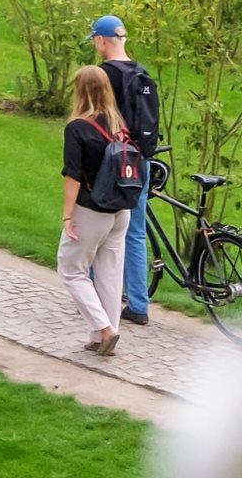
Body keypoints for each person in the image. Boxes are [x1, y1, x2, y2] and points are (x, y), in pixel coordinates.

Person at [60, 65, 140, 356]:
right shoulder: (120, 125)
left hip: (92, 209)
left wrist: (68, 215)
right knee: (109, 273)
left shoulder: (78, 128)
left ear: (79, 92)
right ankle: (102, 336)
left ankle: (105, 329)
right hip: (122, 211)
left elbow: (73, 175)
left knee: (71, 269)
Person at [91, 15, 163, 324]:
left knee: (98, 227)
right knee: (135, 233)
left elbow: (96, 121)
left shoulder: (104, 75)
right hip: (141, 160)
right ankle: (139, 304)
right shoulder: (141, 72)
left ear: (101, 40)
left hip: (114, 162)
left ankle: (94, 295)